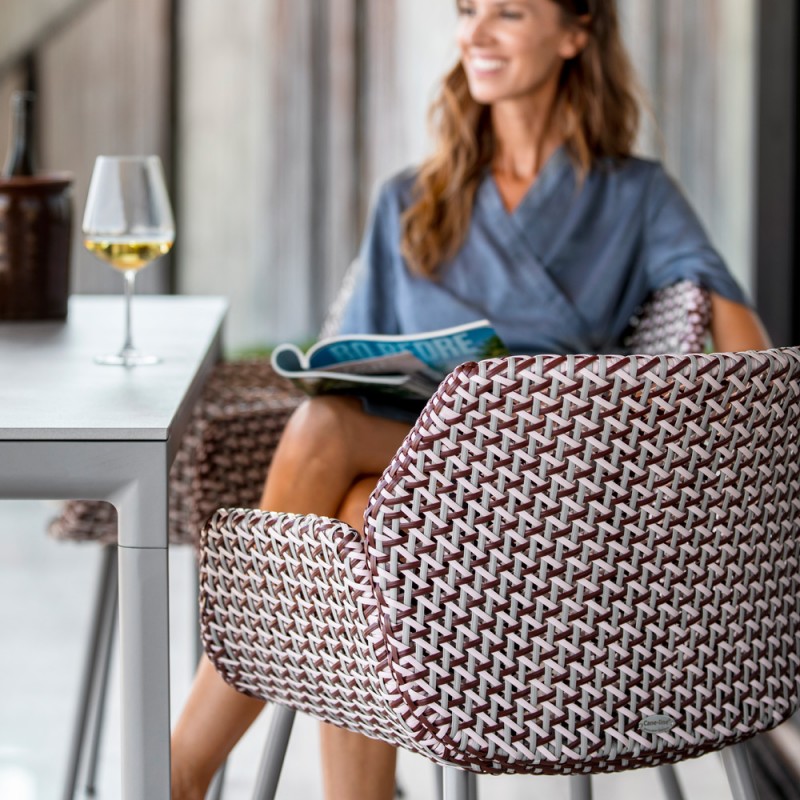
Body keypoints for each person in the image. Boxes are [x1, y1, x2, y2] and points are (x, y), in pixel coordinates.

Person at [171, 1, 770, 798]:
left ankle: (180, 766)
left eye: (509, 13)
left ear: (576, 32)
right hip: (414, 486)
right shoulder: (410, 198)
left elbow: (750, 365)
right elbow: (350, 365)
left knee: (330, 448)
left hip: (546, 498)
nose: (475, 35)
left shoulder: (637, 196)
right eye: (465, 11)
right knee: (354, 503)